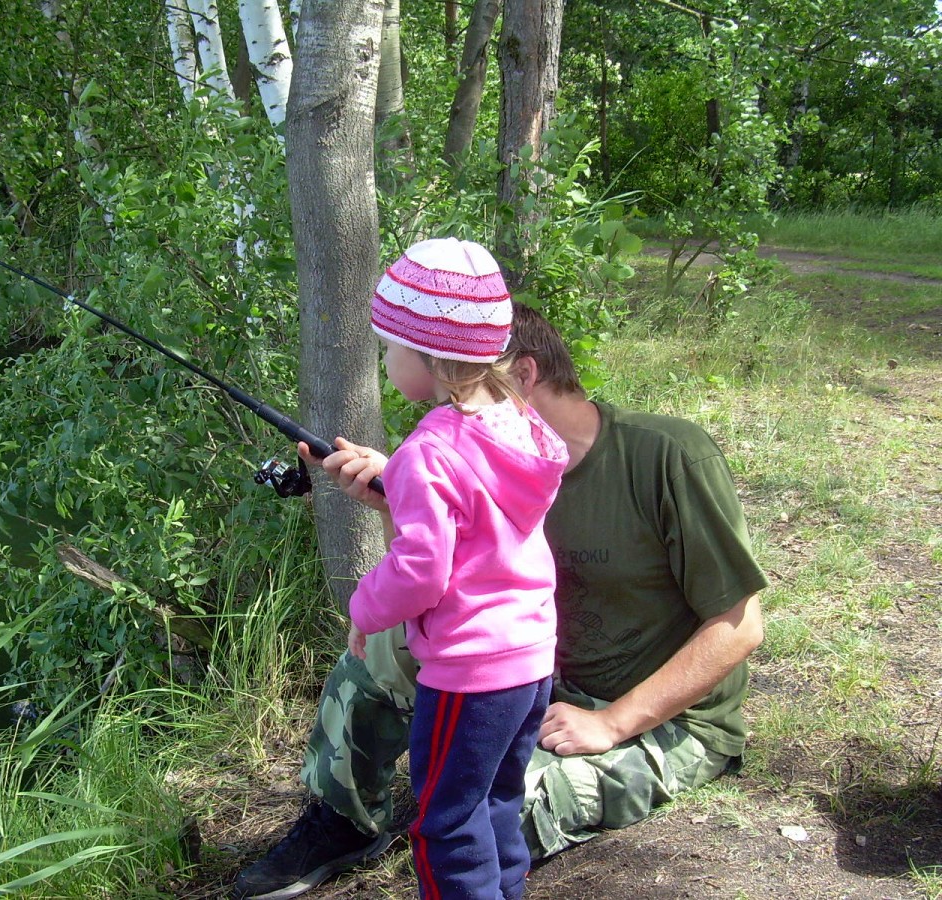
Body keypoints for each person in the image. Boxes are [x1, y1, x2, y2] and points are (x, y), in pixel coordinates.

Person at [232, 301, 768, 900]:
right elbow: (432, 584)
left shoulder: (666, 455)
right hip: (530, 679)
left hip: (660, 720)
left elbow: (739, 626)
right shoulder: (475, 456)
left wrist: (612, 722)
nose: (456, 398)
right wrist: (397, 502)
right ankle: (342, 820)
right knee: (381, 649)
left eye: (476, 376)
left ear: (526, 374)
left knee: (493, 820)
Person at [348, 237, 569, 900]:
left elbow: (421, 571)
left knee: (445, 823)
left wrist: (363, 607)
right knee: (495, 801)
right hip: (530, 660)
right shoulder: (519, 426)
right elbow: (478, 526)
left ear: (430, 356)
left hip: (470, 673)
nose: (385, 361)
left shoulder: (428, 452)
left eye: (389, 348)